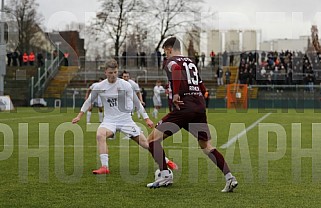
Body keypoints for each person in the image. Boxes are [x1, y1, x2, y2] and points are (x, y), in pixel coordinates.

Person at [146, 37, 238, 192]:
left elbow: (175, 70)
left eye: (165, 52)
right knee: (206, 145)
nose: (165, 55)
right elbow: (201, 87)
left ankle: (165, 175)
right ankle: (229, 177)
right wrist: (198, 99)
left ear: (169, 49)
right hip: (198, 107)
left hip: (183, 108)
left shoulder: (171, 61)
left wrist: (176, 94)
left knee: (152, 140)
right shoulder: (191, 62)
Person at [72, 59, 177, 174]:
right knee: (100, 134)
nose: (113, 75)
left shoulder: (125, 85)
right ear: (105, 72)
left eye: (115, 72)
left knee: (146, 144)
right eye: (111, 73)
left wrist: (146, 118)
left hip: (126, 121)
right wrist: (79, 115)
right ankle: (104, 167)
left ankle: (166, 161)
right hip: (109, 121)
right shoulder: (99, 86)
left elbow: (137, 102)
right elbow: (88, 101)